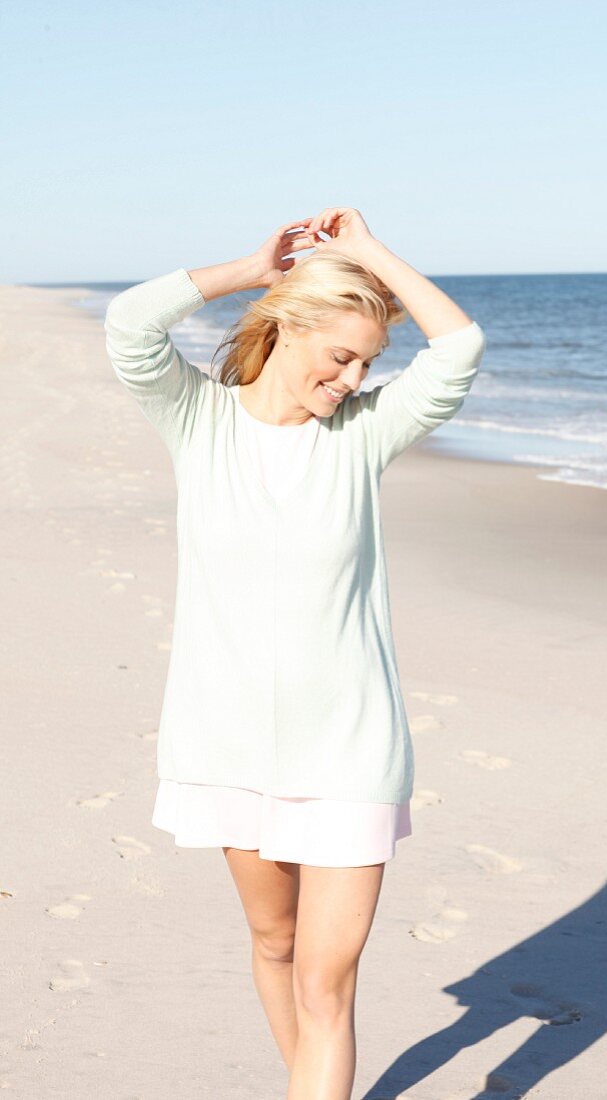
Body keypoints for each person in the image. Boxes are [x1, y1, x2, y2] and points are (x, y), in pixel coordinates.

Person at [104, 206, 486, 1099]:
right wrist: (251, 265)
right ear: (285, 329)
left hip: (350, 750)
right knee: (274, 946)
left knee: (326, 982)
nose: (354, 379)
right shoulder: (198, 422)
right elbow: (130, 323)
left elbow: (459, 348)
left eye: (368, 363)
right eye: (340, 357)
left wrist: (369, 255)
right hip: (226, 745)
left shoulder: (362, 436)